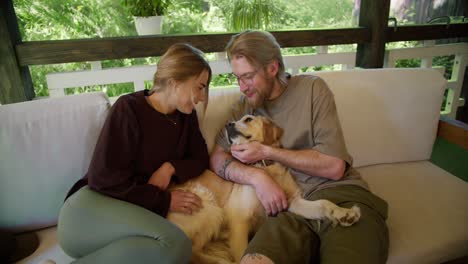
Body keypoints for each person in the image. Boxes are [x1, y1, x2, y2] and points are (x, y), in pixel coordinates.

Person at [210, 30, 389, 264]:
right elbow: (216, 157)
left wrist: (268, 151)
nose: (242, 86)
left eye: (248, 77)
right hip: (286, 211)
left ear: (272, 68)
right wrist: (256, 177)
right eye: (237, 77)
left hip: (338, 194)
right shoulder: (243, 109)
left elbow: (334, 167)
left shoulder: (313, 89)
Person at [58, 43, 212, 264]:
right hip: (87, 211)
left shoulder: (186, 117)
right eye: (200, 87)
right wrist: (165, 200)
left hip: (125, 217)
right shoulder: (128, 109)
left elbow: (200, 159)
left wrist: (170, 167)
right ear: (175, 81)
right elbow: (105, 179)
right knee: (176, 244)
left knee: (165, 250)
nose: (203, 96)